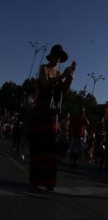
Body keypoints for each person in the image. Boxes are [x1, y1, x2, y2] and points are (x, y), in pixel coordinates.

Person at [28, 44, 75, 191]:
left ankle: (49, 181)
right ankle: (36, 180)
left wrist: (70, 77)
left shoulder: (58, 73)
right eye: (57, 56)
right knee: (38, 146)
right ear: (52, 56)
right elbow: (45, 83)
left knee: (50, 148)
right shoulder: (44, 68)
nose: (59, 59)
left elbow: (63, 91)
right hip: (41, 112)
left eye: (60, 57)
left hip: (52, 114)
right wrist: (61, 76)